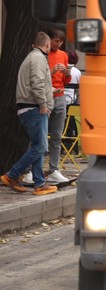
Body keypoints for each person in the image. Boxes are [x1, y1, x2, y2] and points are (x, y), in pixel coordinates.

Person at [1, 32, 58, 195]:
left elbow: (36, 83)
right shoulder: (39, 59)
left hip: (30, 106)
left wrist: (49, 91)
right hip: (34, 107)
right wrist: (43, 104)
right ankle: (12, 175)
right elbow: (37, 83)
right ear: (47, 44)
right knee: (40, 146)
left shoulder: (32, 57)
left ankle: (39, 184)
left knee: (37, 146)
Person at [28, 30, 71, 185]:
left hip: (60, 96)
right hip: (46, 96)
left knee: (56, 136)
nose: (57, 44)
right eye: (55, 41)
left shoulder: (63, 55)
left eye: (60, 41)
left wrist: (66, 73)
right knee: (39, 135)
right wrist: (52, 71)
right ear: (48, 41)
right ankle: (32, 170)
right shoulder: (41, 55)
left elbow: (66, 80)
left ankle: (54, 169)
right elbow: (39, 78)